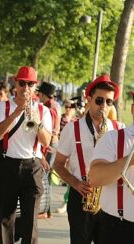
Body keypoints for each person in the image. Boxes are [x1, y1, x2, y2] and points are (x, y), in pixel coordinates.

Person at [53, 74, 123, 244]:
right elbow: (58, 165)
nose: (104, 106)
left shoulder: (119, 129)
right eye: (99, 100)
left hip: (109, 199)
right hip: (81, 196)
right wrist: (76, 184)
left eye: (109, 102)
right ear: (89, 99)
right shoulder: (72, 129)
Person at [0, 66, 52, 243]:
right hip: (7, 165)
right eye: (22, 83)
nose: (26, 88)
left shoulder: (43, 111)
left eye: (30, 84)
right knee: (5, 219)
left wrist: (37, 122)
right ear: (15, 84)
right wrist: (16, 113)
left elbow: (46, 142)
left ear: (35, 86)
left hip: (32, 166)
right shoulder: (4, 106)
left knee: (30, 223)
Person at [89, 91, 134, 244]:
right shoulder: (113, 138)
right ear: (133, 109)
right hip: (118, 228)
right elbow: (95, 177)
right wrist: (131, 159)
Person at [36, 81, 61, 218]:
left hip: (49, 143)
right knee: (46, 176)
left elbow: (47, 130)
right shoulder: (55, 105)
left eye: (39, 93)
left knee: (45, 176)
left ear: (43, 94)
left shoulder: (49, 108)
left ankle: (45, 209)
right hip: (53, 142)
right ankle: (46, 209)